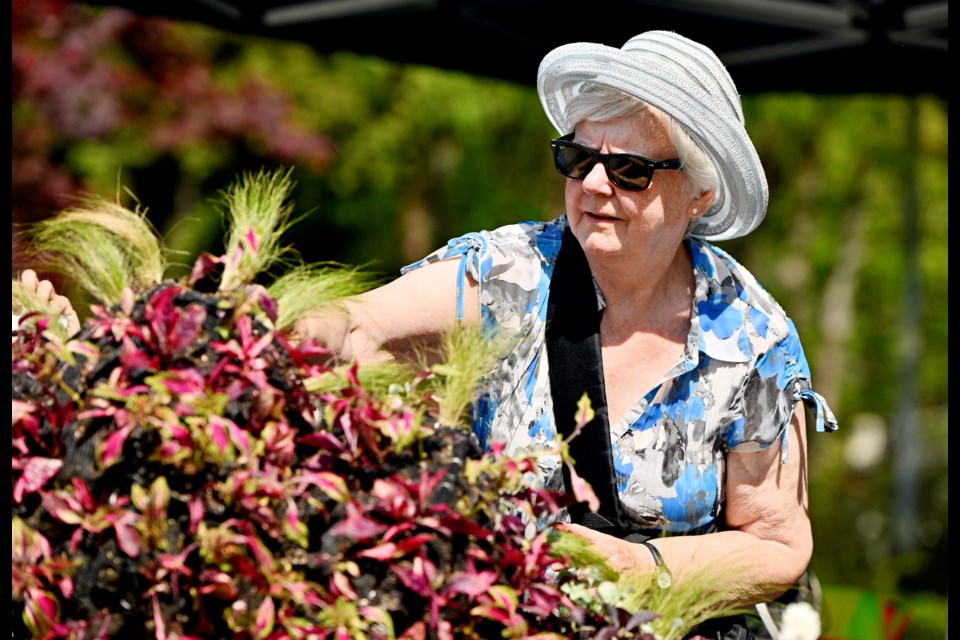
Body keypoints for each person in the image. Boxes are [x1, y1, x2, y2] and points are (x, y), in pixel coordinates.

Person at [294, 30, 838, 639]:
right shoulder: (510, 273)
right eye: (578, 159)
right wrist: (296, 325)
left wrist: (644, 567)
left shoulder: (751, 335)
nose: (595, 184)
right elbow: (360, 324)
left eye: (631, 170)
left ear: (699, 195)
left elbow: (777, 543)